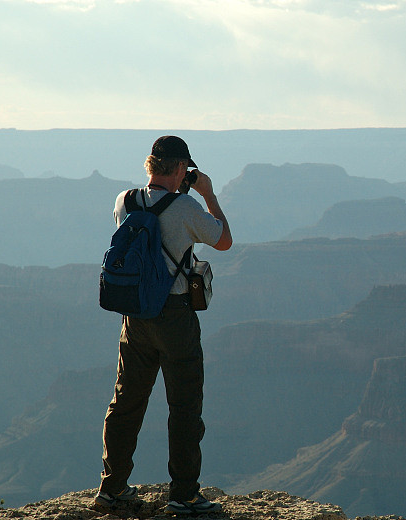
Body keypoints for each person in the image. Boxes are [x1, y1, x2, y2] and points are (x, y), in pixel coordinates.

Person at [95, 136, 233, 514]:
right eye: (185, 169)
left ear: (151, 164)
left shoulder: (124, 201)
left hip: (135, 316)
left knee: (126, 402)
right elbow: (223, 240)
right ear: (180, 168)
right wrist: (208, 194)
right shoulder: (186, 206)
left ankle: (112, 488)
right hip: (174, 317)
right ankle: (184, 495)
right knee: (184, 407)